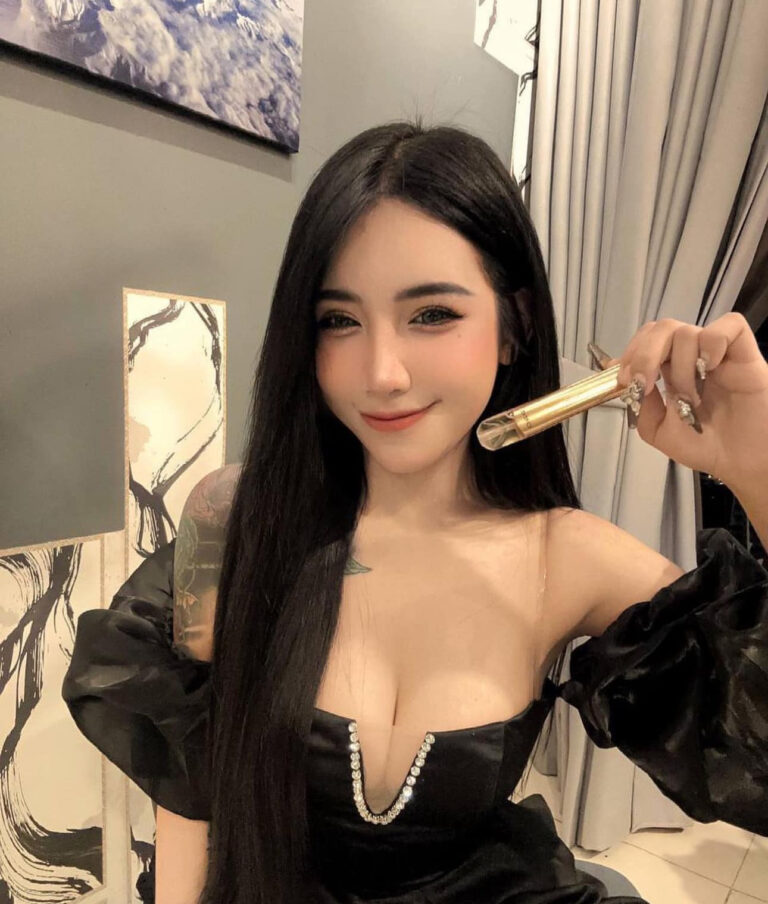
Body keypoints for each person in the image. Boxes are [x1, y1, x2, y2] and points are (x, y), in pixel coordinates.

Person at [61, 120, 768, 904]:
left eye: (431, 314)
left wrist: (756, 462)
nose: (383, 373)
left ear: (514, 327)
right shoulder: (236, 519)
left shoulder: (567, 557)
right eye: (339, 320)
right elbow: (190, 798)